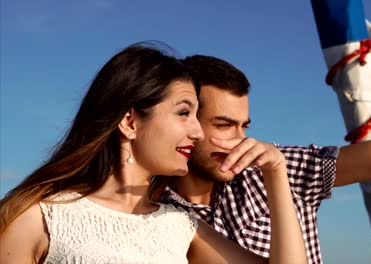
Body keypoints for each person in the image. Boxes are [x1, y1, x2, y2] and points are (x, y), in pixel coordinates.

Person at [0, 43, 308, 264]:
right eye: (184, 113)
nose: (198, 132)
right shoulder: (38, 218)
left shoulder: (181, 226)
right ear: (130, 121)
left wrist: (276, 173)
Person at [162, 54, 371, 264]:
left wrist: (276, 170)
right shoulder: (150, 209)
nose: (240, 140)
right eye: (224, 125)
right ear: (186, 120)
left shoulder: (273, 165)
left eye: (244, 126)